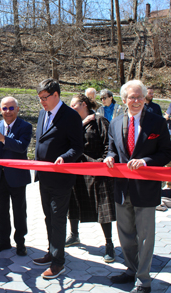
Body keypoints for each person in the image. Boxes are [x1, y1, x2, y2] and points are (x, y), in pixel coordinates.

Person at [104, 80, 171, 293]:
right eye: (132, 97)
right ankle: (131, 270)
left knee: (145, 237)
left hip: (146, 190)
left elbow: (167, 153)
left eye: (140, 97)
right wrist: (109, 157)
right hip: (122, 189)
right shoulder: (115, 122)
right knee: (125, 234)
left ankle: (143, 280)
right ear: (124, 100)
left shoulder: (157, 122)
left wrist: (145, 161)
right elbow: (111, 147)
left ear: (145, 98)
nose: (136, 101)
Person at [33, 79, 83, 279]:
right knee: (48, 217)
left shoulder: (70, 116)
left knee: (58, 218)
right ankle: (52, 251)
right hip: (44, 177)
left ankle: (58, 262)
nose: (42, 102)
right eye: (40, 99)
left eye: (45, 98)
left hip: (61, 178)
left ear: (56, 95)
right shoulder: (43, 113)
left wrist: (65, 157)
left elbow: (77, 146)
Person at [67, 94, 116, 263]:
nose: (71, 108)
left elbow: (109, 144)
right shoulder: (73, 124)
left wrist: (102, 162)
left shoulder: (100, 121)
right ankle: (74, 235)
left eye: (74, 105)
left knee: (103, 207)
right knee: (73, 202)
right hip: (77, 168)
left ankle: (109, 244)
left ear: (84, 104)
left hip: (97, 169)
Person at [0, 97, 32, 256]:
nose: (8, 112)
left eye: (11, 108)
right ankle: (3, 241)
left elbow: (21, 147)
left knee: (19, 211)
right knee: (1, 210)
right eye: (5, 108)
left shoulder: (25, 126)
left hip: (17, 177)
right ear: (0, 110)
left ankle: (20, 242)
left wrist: (3, 139)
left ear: (17, 109)